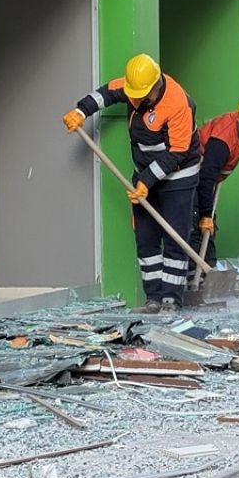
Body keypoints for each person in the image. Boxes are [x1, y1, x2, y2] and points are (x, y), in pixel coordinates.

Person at [64, 53, 201, 313]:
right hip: (144, 175)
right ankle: (153, 299)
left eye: (142, 95)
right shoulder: (134, 85)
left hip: (178, 176)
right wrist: (80, 110)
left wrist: (147, 181)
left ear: (155, 85)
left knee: (174, 237)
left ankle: (172, 300)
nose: (135, 99)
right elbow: (105, 94)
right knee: (146, 238)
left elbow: (178, 151)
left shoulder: (178, 103)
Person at [189, 98, 239, 272]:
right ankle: (194, 276)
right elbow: (206, 178)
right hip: (194, 179)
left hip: (203, 179)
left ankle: (207, 273)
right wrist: (205, 215)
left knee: (208, 227)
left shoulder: (237, 128)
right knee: (197, 226)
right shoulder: (222, 142)